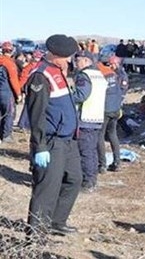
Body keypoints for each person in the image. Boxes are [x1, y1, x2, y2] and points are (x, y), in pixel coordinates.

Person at [25, 34, 82, 236]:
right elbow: (37, 114)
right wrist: (39, 146)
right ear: (55, 55)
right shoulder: (40, 76)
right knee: (46, 190)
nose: (69, 60)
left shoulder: (58, 71)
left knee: (74, 179)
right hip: (51, 141)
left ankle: (56, 222)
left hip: (68, 140)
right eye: (66, 56)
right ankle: (35, 236)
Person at [71, 50, 107, 192]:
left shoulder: (84, 76)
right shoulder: (99, 75)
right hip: (97, 117)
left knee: (85, 151)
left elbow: (80, 95)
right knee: (91, 151)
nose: (76, 63)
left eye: (78, 60)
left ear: (86, 61)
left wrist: (67, 96)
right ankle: (91, 179)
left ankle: (87, 182)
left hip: (85, 118)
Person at [97, 55, 129, 173]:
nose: (109, 66)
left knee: (100, 135)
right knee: (112, 134)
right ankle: (117, 162)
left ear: (116, 63)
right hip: (115, 108)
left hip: (108, 108)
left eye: (111, 64)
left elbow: (122, 91)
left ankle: (102, 164)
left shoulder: (118, 75)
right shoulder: (113, 74)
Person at [0, 41, 21, 143]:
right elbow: (13, 80)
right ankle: (6, 135)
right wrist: (18, 94)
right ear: (11, 51)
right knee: (9, 113)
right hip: (6, 91)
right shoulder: (9, 63)